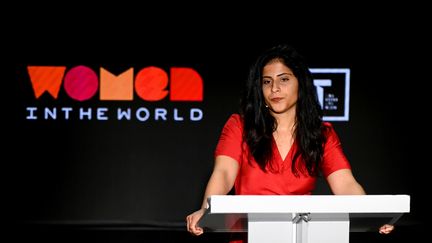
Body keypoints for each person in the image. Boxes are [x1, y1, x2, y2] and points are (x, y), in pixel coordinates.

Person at [186, 44, 394, 241]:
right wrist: (206, 208)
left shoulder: (321, 134)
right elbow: (223, 173)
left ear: (300, 84)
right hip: (250, 237)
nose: (274, 88)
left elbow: (346, 184)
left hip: (303, 236)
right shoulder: (239, 126)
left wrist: (373, 215)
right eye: (267, 81)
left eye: (283, 79)